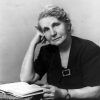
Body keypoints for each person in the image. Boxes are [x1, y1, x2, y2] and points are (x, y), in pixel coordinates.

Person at [20, 5, 100, 100]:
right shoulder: (46, 51)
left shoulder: (89, 49)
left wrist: (63, 94)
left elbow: (97, 92)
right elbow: (26, 79)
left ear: (68, 25)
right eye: (46, 29)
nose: (53, 33)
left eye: (56, 25)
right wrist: (33, 43)